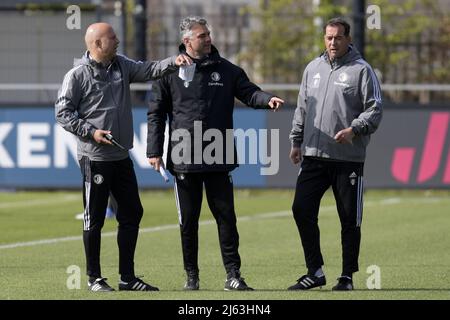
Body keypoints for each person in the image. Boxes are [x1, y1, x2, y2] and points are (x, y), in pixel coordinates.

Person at [147, 16, 284, 291]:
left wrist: (266, 100)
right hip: (184, 157)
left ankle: (233, 275)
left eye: (208, 34)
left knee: (226, 218)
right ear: (187, 41)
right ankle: (191, 277)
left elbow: (249, 93)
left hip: (219, 155)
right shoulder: (169, 73)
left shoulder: (228, 70)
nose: (208, 39)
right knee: (188, 222)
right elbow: (156, 113)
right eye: (202, 36)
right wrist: (154, 150)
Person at [55, 22, 191, 292]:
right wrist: (91, 132)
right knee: (93, 218)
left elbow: (149, 69)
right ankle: (94, 278)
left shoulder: (121, 65)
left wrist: (173, 62)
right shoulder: (77, 75)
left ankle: (127, 279)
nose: (117, 41)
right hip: (95, 158)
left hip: (121, 156)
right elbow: (62, 113)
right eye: (112, 38)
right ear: (97, 44)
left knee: (132, 212)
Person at [288, 17, 382, 291]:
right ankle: (315, 271)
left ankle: (347, 277)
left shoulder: (362, 70)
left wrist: (354, 129)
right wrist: (296, 141)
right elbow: (302, 108)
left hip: (347, 159)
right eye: (328, 37)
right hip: (314, 156)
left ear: (348, 39)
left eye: (338, 37)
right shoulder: (312, 68)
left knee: (349, 219)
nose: (332, 42)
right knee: (301, 209)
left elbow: (375, 109)